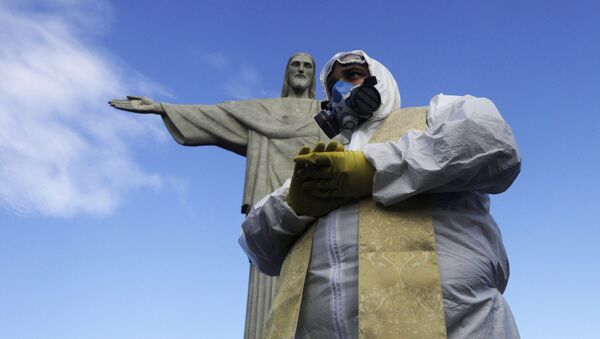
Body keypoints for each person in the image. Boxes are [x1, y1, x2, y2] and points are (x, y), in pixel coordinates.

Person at [239, 50, 521, 338]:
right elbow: (256, 245)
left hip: (457, 323)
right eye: (333, 85)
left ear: (380, 81)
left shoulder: (431, 115)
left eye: (352, 75)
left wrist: (371, 169)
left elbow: (493, 143)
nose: (340, 90)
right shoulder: (319, 164)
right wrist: (294, 204)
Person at [109, 53, 338, 339]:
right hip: (269, 213)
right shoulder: (262, 111)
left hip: (314, 207)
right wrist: (161, 108)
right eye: (296, 64)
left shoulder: (327, 112)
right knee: (266, 285)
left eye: (307, 66)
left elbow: (359, 136)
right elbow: (216, 115)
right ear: (286, 72)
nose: (301, 70)